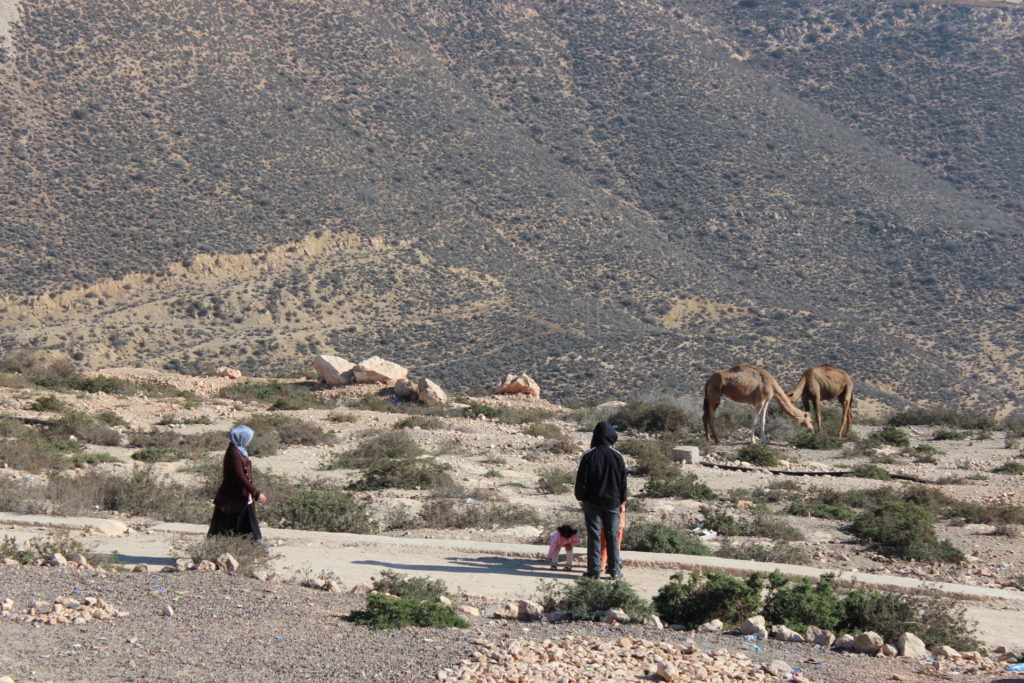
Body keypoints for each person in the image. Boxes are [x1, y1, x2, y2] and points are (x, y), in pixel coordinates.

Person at [574, 421, 627, 579]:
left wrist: (581, 497)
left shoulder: (588, 455)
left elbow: (581, 481)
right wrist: (621, 500)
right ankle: (614, 569)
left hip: (592, 502)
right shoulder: (618, 456)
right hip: (612, 502)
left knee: (594, 535)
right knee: (612, 534)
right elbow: (623, 482)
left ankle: (594, 570)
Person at [208, 425, 267, 543]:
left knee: (247, 526)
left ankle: (254, 551)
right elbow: (240, 477)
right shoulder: (233, 454)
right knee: (223, 529)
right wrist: (256, 493)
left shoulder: (238, 451)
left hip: (241, 496)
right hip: (231, 498)